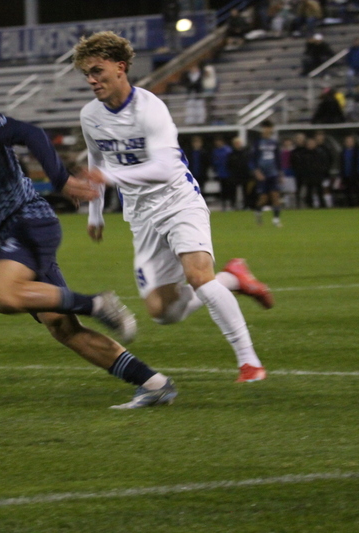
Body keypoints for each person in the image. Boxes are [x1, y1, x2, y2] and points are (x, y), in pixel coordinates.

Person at [0, 56, 175, 409]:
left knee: (1, 295)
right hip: (8, 231)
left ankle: (97, 303)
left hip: (26, 220)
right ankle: (153, 383)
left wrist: (60, 180)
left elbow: (30, 133)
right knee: (62, 328)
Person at [73, 31, 272, 385]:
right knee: (163, 313)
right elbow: (96, 155)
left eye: (97, 71)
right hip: (142, 217)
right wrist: (95, 212)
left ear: (121, 68)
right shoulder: (90, 115)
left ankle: (249, 363)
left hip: (178, 200)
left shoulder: (150, 109)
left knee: (198, 277)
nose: (91, 79)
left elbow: (163, 168)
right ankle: (233, 277)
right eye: (86, 73)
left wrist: (109, 177)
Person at [251, 120, 283, 227]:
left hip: (273, 173)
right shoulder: (257, 143)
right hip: (262, 174)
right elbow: (253, 159)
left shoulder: (274, 143)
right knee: (263, 199)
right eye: (265, 127)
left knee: (275, 196)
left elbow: (278, 159)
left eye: (269, 127)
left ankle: (276, 220)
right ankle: (258, 213)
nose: (267, 130)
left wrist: (280, 173)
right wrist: (256, 171)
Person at [228, 136, 253, 210]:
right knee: (233, 191)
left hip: (245, 175)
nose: (238, 145)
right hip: (235, 175)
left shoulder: (245, 153)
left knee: (246, 191)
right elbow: (229, 165)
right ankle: (233, 205)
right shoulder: (231, 154)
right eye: (236, 143)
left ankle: (246, 205)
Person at [211, 136, 235, 211]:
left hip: (229, 173)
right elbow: (214, 161)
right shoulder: (215, 151)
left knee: (230, 189)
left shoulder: (228, 150)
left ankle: (232, 204)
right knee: (223, 189)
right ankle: (224, 205)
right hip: (221, 173)